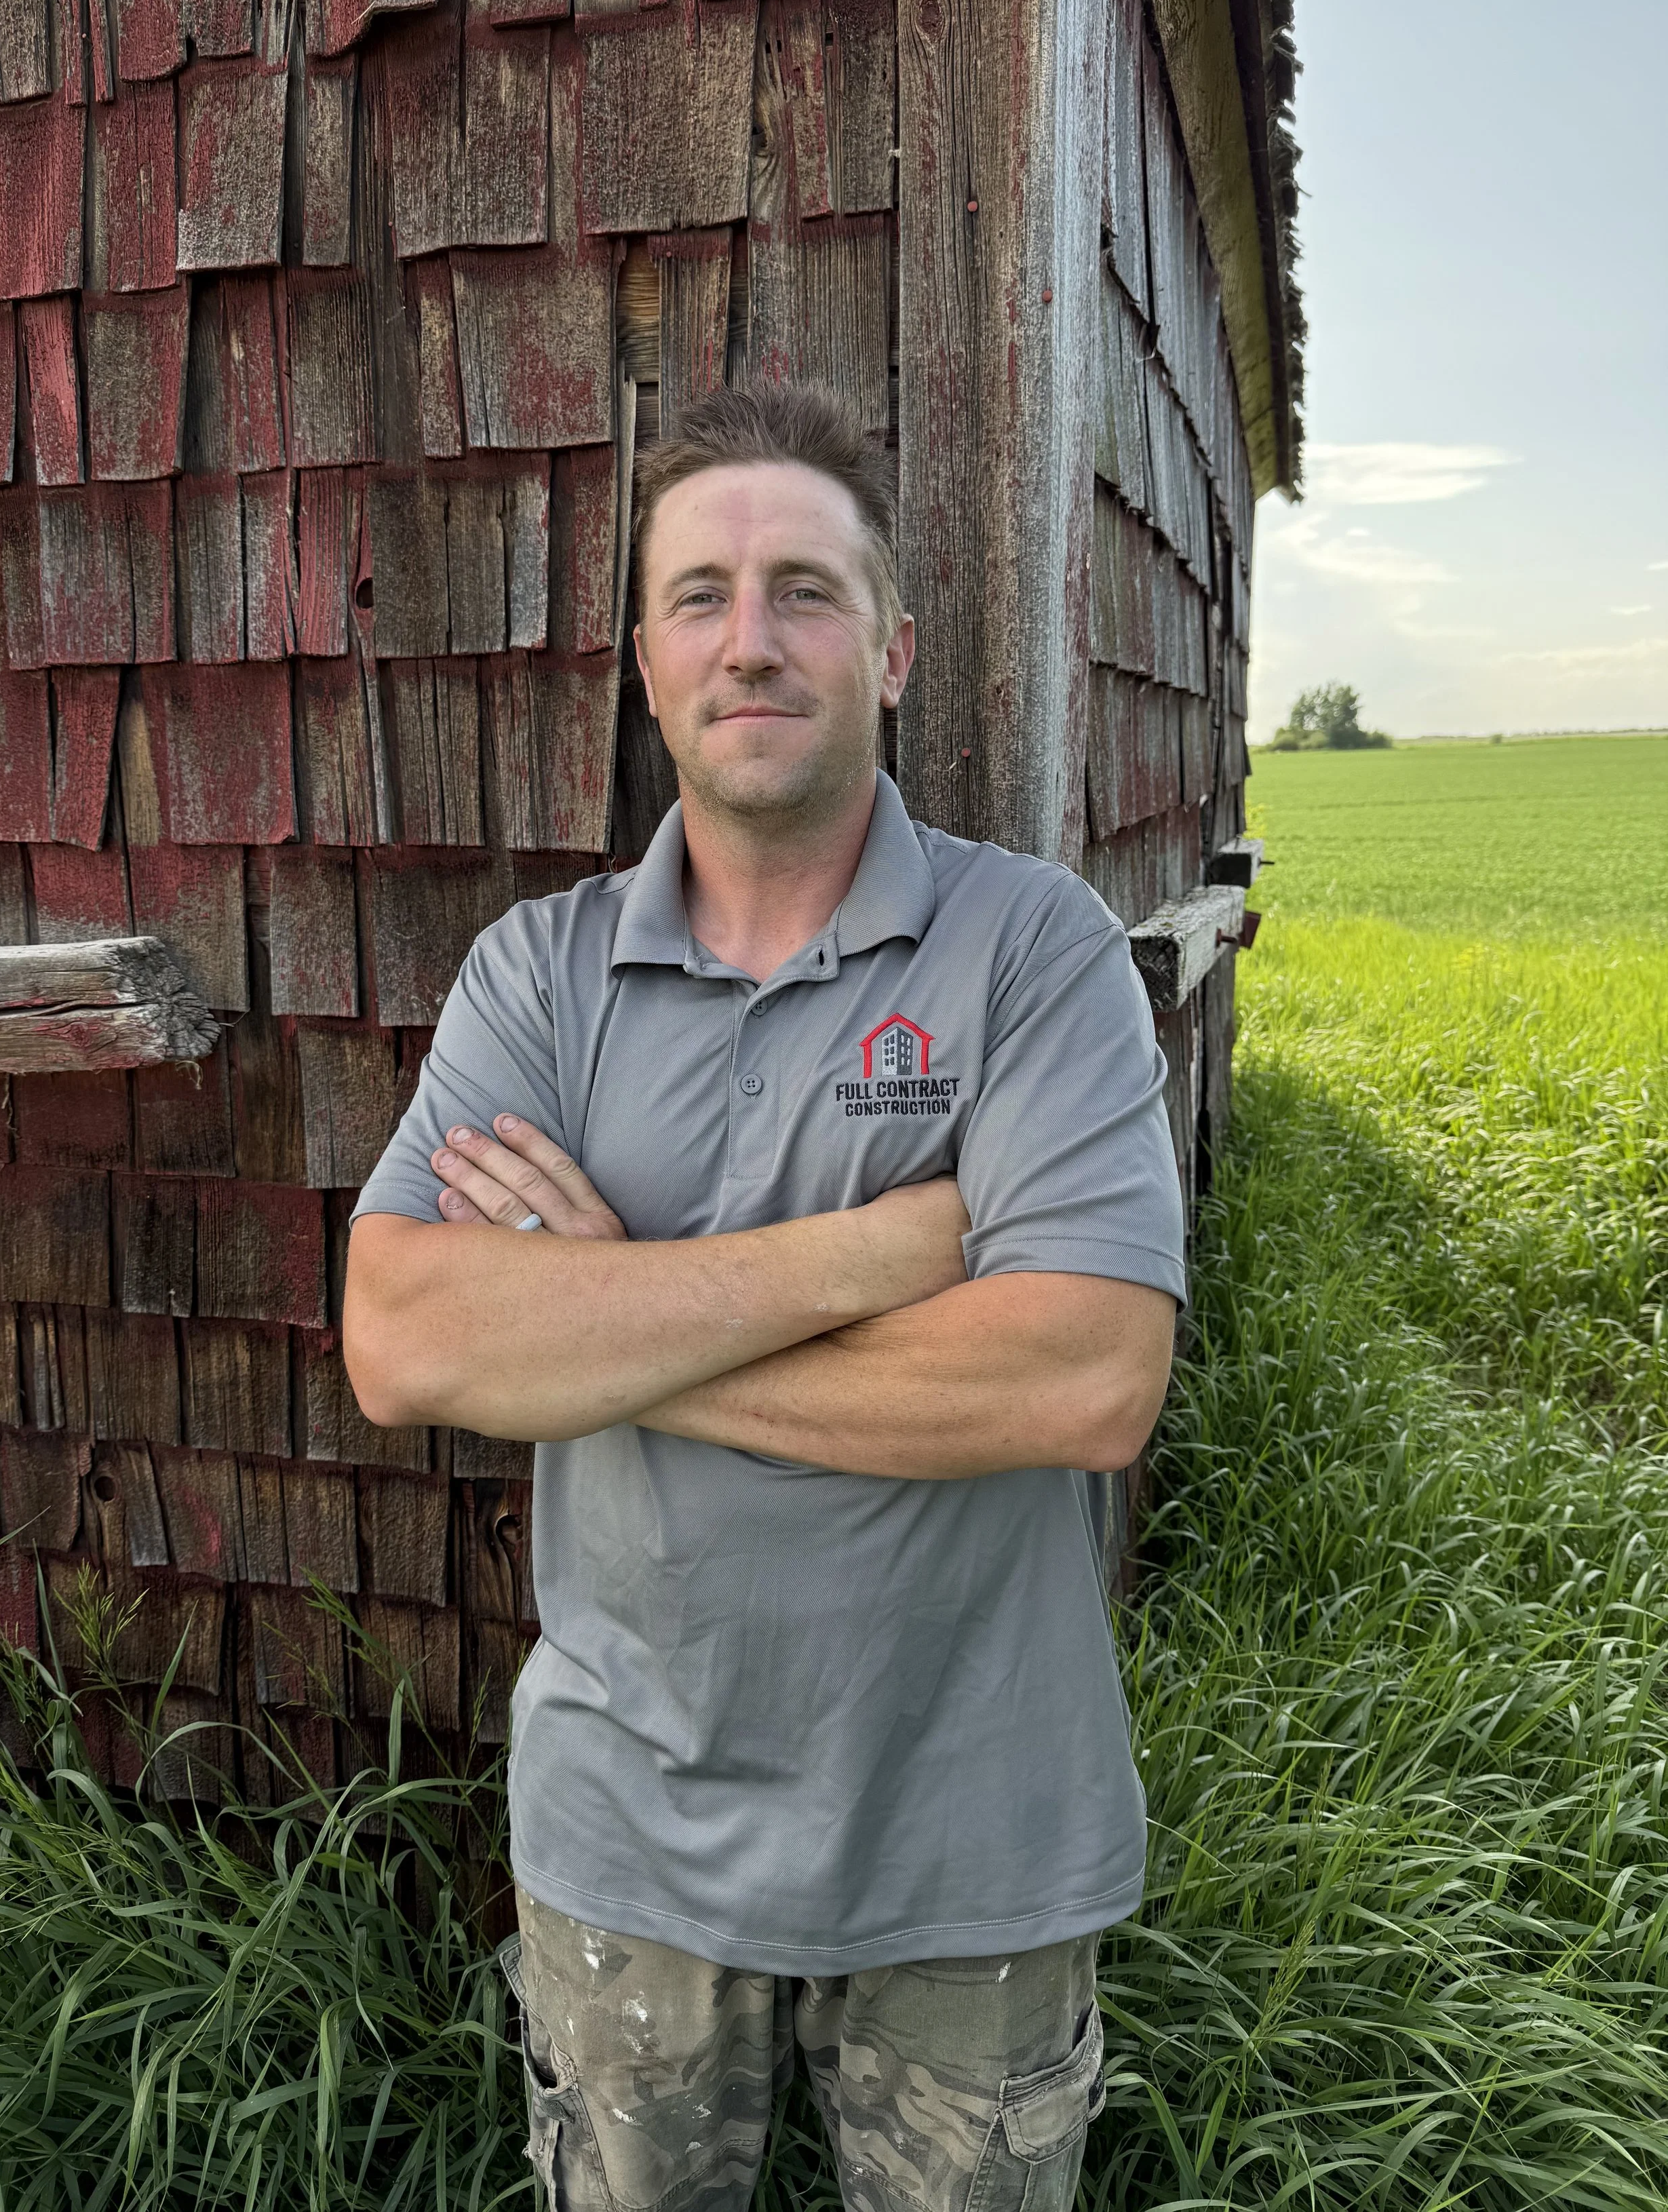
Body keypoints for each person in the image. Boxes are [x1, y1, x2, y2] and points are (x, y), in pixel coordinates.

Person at [343, 382, 1186, 2212]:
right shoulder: (541, 978)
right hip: (628, 1846)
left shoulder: (1026, 951)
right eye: (702, 594)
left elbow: (1085, 1372)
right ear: (644, 661)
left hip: (974, 1840)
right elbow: (408, 1339)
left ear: (888, 648)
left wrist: (601, 1330)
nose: (751, 638)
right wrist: (880, 1253)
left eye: (803, 589)